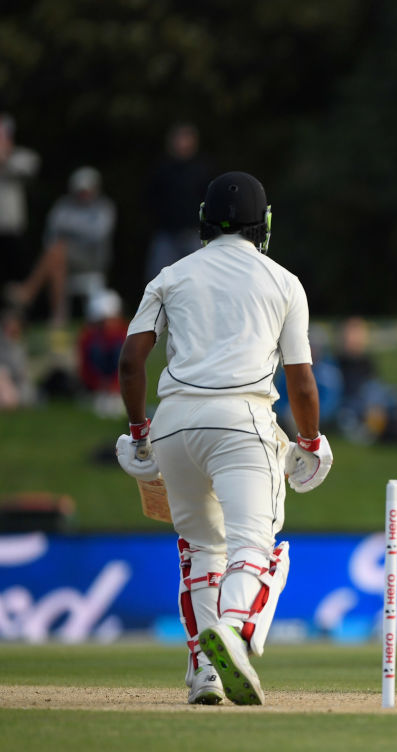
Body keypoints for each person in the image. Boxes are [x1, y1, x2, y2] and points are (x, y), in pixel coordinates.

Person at [115, 171, 334, 706]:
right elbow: (301, 380)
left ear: (202, 223)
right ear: (264, 225)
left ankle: (204, 676)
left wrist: (140, 433)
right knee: (256, 546)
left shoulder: (170, 275)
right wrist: (310, 440)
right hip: (244, 421)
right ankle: (234, 630)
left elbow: (130, 361)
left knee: (200, 550)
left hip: (174, 425)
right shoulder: (282, 280)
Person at [7, 166, 116, 325]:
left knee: (57, 251)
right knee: (56, 259)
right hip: (64, 257)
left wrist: (70, 230)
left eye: (87, 190)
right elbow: (49, 236)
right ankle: (59, 317)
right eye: (80, 191)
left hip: (92, 259)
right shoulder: (64, 205)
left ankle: (29, 292)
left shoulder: (104, 207)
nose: (84, 194)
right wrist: (75, 232)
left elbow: (97, 235)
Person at [144, 122, 214, 283]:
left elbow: (209, 200)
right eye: (179, 139)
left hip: (194, 233)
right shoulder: (162, 168)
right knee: (159, 279)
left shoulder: (202, 169)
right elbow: (151, 199)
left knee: (200, 278)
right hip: (166, 234)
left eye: (186, 138)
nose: (182, 143)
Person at [0, 113, 40, 289]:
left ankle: (15, 313)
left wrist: (5, 157)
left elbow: (31, 166)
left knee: (16, 278)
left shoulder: (20, 157)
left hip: (12, 229)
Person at [76, 288, 128, 418]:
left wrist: (115, 386)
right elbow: (85, 368)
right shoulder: (88, 337)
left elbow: (129, 368)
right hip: (96, 387)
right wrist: (97, 385)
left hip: (118, 386)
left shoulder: (126, 336)